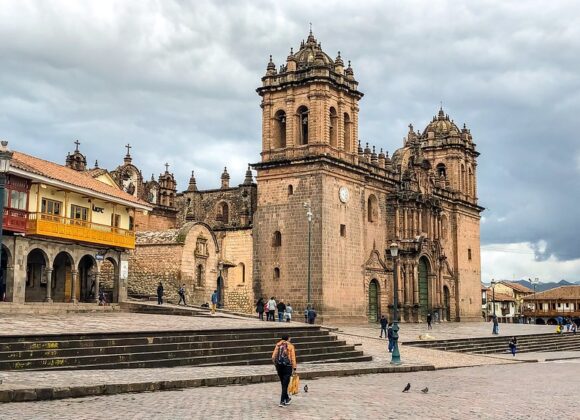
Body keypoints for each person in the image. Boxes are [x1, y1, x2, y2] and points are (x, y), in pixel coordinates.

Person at [272, 333, 297, 407]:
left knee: (283, 384)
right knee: (285, 384)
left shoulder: (278, 345)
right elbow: (293, 358)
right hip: (287, 366)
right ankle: (282, 401)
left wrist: (276, 364)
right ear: (288, 338)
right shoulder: (290, 346)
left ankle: (287, 398)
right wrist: (294, 367)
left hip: (279, 366)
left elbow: (273, 357)